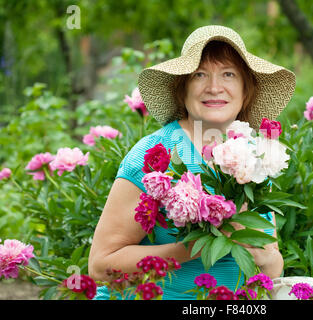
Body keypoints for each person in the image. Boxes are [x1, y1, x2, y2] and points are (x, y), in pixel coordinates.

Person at [88, 25, 296, 300]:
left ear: (246, 91)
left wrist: (265, 256)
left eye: (229, 74)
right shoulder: (155, 156)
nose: (214, 87)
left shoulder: (256, 157)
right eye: (200, 74)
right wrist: (199, 244)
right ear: (182, 89)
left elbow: (271, 265)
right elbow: (101, 265)